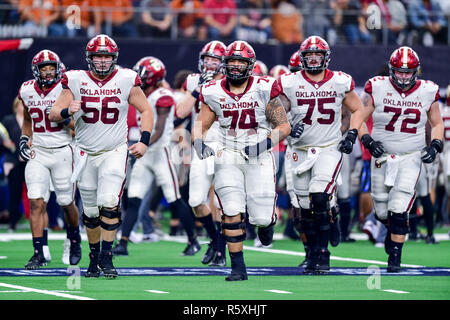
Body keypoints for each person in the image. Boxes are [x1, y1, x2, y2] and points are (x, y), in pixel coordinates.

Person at [49, 34, 154, 279]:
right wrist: (67, 109)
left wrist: (144, 141)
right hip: (84, 152)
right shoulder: (75, 79)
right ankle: (94, 256)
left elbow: (146, 109)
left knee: (109, 201)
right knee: (92, 212)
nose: (103, 61)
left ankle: (107, 256)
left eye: (107, 56)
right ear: (90, 57)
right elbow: (54, 113)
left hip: (114, 150)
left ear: (114, 58)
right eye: (99, 56)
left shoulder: (127, 78)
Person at [192, 40, 291, 281]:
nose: (236, 66)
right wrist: (197, 142)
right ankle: (238, 267)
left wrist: (263, 144)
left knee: (260, 217)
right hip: (228, 153)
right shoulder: (213, 90)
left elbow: (284, 126)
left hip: (259, 154)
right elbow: (201, 124)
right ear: (225, 64)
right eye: (232, 61)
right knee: (231, 210)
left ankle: (267, 223)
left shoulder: (264, 87)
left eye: (241, 62)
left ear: (250, 65)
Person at [279, 35, 365, 274]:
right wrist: (285, 124)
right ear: (302, 58)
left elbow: (357, 109)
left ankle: (323, 253)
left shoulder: (340, 80)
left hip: (329, 148)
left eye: (318, 55)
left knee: (319, 196)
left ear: (326, 57)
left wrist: (351, 134)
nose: (314, 59)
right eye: (309, 55)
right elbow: (274, 111)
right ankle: (313, 250)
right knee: (304, 207)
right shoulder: (289, 81)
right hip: (299, 149)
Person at [359, 46, 443, 272]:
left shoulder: (427, 90)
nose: (403, 77)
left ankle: (394, 258)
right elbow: (359, 116)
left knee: (399, 206)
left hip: (410, 156)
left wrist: (435, 144)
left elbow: (436, 123)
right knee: (381, 211)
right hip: (382, 156)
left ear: (417, 71)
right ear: (391, 70)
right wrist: (367, 141)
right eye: (400, 72)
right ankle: (392, 232)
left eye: (408, 72)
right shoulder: (377, 86)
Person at [113, 56, 199, 257]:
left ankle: (193, 241)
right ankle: (123, 243)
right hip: (146, 154)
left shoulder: (162, 95)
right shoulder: (144, 93)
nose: (140, 79)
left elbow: (159, 130)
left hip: (161, 153)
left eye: (143, 75)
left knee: (175, 199)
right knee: (133, 198)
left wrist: (142, 144)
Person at [18, 50, 81, 269]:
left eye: (50, 68)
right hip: (39, 152)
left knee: (66, 202)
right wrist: (25, 138)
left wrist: (61, 116)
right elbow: (28, 118)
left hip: (63, 149)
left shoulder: (65, 89)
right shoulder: (26, 90)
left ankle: (74, 239)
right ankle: (38, 253)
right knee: (36, 201)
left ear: (58, 68)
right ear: (36, 70)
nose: (47, 72)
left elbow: (78, 126)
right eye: (43, 68)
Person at [176, 41, 227, 266]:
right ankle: (215, 239)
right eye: (207, 59)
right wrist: (199, 88)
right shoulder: (194, 80)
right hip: (201, 144)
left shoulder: (231, 82)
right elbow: (180, 112)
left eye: (215, 59)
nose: (210, 63)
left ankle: (222, 250)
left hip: (226, 145)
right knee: (196, 200)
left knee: (221, 200)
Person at [1, 97, 26, 233]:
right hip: (14, 162)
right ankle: (12, 222)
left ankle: (43, 223)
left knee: (36, 193)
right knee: (14, 193)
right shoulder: (8, 120)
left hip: (30, 161)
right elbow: (3, 138)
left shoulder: (32, 120)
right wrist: (6, 144)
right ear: (16, 105)